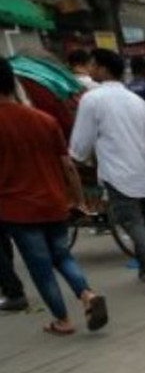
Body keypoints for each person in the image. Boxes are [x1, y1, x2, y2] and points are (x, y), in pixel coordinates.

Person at [0, 57, 108, 335]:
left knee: (41, 268)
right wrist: (77, 198)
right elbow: (67, 165)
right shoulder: (44, 120)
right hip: (53, 201)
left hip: (18, 209)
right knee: (61, 255)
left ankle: (63, 320)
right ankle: (87, 295)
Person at [70, 48, 145, 294]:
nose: (90, 69)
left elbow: (79, 147)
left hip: (118, 173)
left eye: (93, 65)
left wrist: (76, 160)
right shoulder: (136, 101)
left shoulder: (93, 99)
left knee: (131, 222)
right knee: (142, 222)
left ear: (104, 69)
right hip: (144, 170)